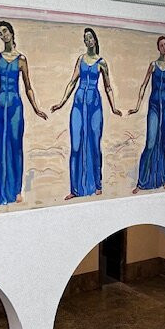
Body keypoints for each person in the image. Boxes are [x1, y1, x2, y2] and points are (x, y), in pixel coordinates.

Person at [0, 21, 48, 210]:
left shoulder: (21, 59)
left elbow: (28, 87)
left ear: (11, 33)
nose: (2, 35)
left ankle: (16, 191)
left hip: (15, 108)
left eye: (4, 31)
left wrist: (36, 108)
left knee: (15, 148)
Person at [51, 28, 122, 200]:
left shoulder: (102, 62)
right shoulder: (80, 59)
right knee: (76, 145)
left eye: (90, 38)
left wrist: (113, 107)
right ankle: (75, 189)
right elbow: (72, 82)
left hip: (94, 105)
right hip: (78, 103)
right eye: (85, 39)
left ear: (95, 40)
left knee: (94, 144)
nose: (88, 41)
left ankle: (97, 184)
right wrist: (61, 102)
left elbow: (108, 87)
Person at [128, 35, 165, 193]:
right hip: (154, 106)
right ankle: (141, 182)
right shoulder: (153, 65)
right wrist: (137, 107)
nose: (164, 47)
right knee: (150, 143)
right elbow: (143, 85)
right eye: (162, 45)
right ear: (158, 48)